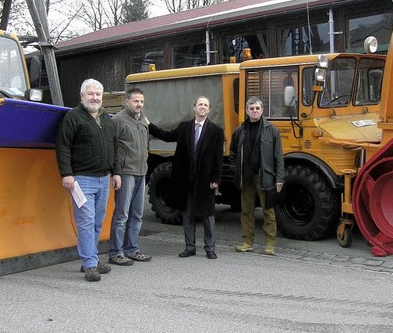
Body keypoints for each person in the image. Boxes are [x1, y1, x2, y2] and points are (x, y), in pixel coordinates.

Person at [56, 78, 121, 282]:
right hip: (82, 180)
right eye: (91, 94)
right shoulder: (73, 117)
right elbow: (63, 146)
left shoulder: (107, 119)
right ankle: (90, 264)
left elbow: (115, 147)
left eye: (98, 94)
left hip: (103, 179)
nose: (95, 98)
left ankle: (89, 259)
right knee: (85, 221)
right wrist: (66, 173)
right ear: (82, 96)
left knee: (97, 222)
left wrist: (116, 172)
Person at [148, 96, 225, 259]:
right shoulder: (184, 127)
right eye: (200, 104)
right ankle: (190, 247)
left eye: (206, 105)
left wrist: (216, 179)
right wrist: (149, 126)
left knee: (207, 215)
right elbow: (167, 136)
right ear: (194, 108)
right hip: (185, 179)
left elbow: (218, 158)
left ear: (209, 109)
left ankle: (210, 248)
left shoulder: (216, 131)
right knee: (187, 214)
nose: (203, 107)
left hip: (205, 181)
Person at [229, 96, 285, 255]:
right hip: (246, 177)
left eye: (257, 108)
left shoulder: (271, 130)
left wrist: (279, 178)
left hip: (265, 176)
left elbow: (278, 156)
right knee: (246, 211)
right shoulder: (240, 130)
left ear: (262, 110)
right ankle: (247, 242)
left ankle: (270, 243)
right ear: (247, 111)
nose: (254, 111)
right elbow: (232, 152)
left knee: (268, 210)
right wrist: (235, 170)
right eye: (251, 108)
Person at [108, 87, 152, 266]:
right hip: (126, 173)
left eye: (141, 101)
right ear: (126, 101)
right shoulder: (118, 120)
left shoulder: (143, 121)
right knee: (122, 215)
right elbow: (112, 148)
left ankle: (132, 249)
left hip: (141, 172)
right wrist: (115, 172)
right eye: (136, 101)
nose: (139, 104)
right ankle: (115, 252)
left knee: (137, 214)